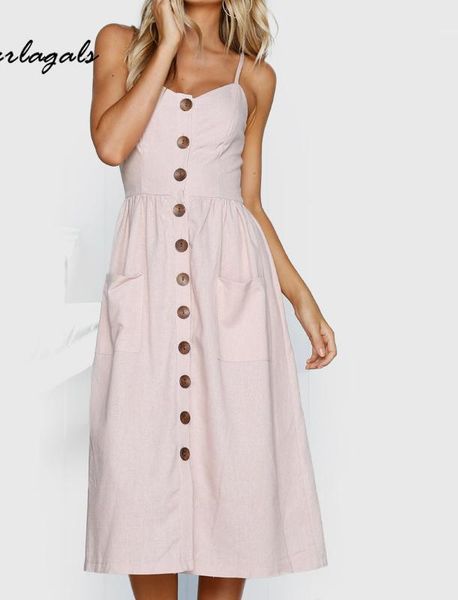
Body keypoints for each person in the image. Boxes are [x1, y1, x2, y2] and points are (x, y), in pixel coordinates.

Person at [84, 1, 336, 598]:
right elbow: (112, 146)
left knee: (237, 481)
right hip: (145, 298)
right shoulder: (120, 43)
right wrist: (168, 43)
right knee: (139, 481)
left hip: (234, 297)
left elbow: (248, 203)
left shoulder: (256, 76)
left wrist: (302, 300)